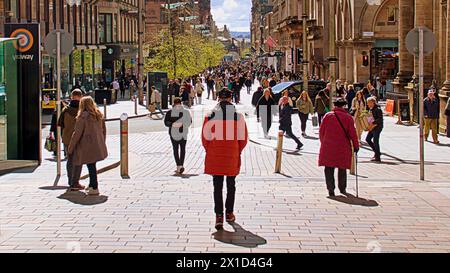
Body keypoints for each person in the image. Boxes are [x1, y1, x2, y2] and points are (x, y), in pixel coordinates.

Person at [202, 88, 248, 230]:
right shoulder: (238, 117)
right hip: (231, 155)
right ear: (230, 98)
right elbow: (243, 139)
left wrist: (210, 150)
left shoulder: (210, 116)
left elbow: (205, 138)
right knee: (231, 184)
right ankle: (229, 212)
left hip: (215, 155)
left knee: (217, 186)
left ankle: (219, 216)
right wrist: (237, 150)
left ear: (218, 98)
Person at [318, 98, 359, 197]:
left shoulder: (328, 116)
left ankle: (330, 189)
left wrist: (323, 142)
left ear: (335, 105)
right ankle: (342, 188)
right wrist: (356, 146)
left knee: (328, 168)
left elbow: (321, 131)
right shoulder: (348, 117)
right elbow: (353, 134)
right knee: (342, 168)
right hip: (343, 146)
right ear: (344, 106)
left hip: (328, 146)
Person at [68, 97, 108, 195]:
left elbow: (77, 133)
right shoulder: (98, 115)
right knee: (92, 164)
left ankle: (94, 187)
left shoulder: (83, 117)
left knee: (90, 165)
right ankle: (91, 185)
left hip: (86, 144)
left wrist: (71, 147)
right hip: (96, 144)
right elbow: (104, 131)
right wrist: (102, 142)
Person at [58, 90, 83, 189]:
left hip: (67, 138)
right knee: (79, 160)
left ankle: (70, 181)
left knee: (70, 160)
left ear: (72, 97)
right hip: (79, 139)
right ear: (81, 97)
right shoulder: (82, 110)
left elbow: (60, 124)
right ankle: (75, 182)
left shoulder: (65, 110)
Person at [164, 98, 192, 175]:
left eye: (178, 104)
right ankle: (179, 166)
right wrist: (172, 124)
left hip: (182, 133)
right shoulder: (170, 112)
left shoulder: (185, 112)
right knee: (176, 149)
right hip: (174, 133)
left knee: (181, 149)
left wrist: (182, 124)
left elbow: (189, 122)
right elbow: (166, 122)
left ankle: (180, 165)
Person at [366, 96, 384, 162]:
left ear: (372, 102)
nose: (367, 104)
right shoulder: (371, 109)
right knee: (368, 139)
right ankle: (377, 153)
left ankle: (377, 157)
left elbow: (380, 119)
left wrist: (373, 123)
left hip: (377, 127)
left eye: (368, 103)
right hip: (372, 127)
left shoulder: (378, 109)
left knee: (375, 141)